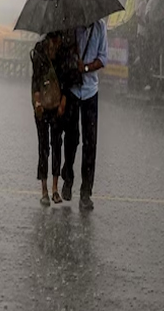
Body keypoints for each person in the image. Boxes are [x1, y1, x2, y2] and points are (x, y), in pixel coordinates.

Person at [61, 18, 108, 211]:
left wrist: (86, 67)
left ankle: (86, 192)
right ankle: (68, 176)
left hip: (90, 91)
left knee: (90, 142)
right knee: (71, 138)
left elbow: (103, 59)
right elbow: (64, 54)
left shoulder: (101, 27)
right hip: (73, 89)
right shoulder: (72, 27)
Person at [30, 32, 66, 206]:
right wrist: (37, 103)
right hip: (42, 108)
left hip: (57, 106)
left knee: (57, 144)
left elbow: (65, 80)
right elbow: (35, 81)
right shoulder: (38, 54)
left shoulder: (62, 53)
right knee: (43, 145)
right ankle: (44, 189)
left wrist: (62, 103)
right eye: (56, 40)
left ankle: (55, 188)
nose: (58, 43)